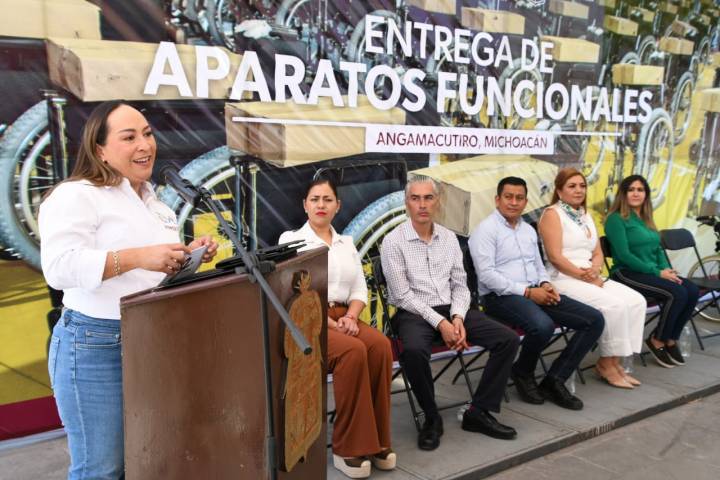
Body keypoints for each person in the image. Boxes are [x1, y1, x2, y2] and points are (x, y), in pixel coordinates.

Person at [40, 101, 218, 479]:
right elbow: (59, 267)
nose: (144, 144)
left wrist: (187, 255)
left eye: (148, 134)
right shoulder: (76, 195)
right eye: (129, 137)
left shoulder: (157, 204)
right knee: (102, 469)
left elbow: (150, 273)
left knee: (145, 461)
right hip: (96, 344)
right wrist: (139, 257)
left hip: (153, 339)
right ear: (100, 150)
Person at [381, 175, 520, 450]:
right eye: (415, 198)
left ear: (438, 202)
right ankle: (431, 417)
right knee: (413, 351)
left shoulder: (448, 238)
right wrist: (442, 323)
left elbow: (460, 284)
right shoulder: (392, 241)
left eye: (428, 198)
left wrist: (457, 318)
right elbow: (402, 295)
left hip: (452, 308)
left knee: (507, 339)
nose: (422, 205)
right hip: (413, 311)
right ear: (406, 203)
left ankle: (479, 411)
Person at [279, 178, 394, 479]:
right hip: (309, 320)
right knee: (352, 352)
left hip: (345, 315)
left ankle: (378, 440)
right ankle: (348, 447)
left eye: (327, 199)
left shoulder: (347, 243)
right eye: (315, 199)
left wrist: (352, 318)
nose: (321, 205)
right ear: (305, 205)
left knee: (380, 346)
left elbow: (359, 289)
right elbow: (290, 291)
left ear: (338, 206)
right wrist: (329, 322)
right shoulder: (291, 239)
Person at [470, 176, 604, 409]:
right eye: (508, 197)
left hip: (535, 290)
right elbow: (487, 276)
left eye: (519, 198)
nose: (514, 202)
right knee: (542, 326)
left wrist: (544, 283)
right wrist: (528, 293)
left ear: (526, 202)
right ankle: (523, 371)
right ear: (497, 200)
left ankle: (555, 380)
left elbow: (539, 265)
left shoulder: (528, 230)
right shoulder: (485, 230)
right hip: (499, 296)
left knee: (593, 320)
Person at [538, 169, 647, 389]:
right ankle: (606, 364)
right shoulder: (552, 214)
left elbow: (597, 252)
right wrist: (583, 276)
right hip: (562, 277)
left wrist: (595, 269)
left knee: (637, 301)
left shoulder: (584, 214)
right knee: (615, 306)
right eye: (572, 186)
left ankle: (615, 361)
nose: (579, 190)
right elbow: (555, 257)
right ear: (559, 190)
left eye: (582, 186)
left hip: (589, 273)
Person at [605, 175, 700, 368]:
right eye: (631, 189)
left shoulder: (645, 219)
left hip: (650, 271)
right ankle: (657, 339)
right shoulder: (616, 219)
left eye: (640, 190)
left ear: (646, 194)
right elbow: (624, 255)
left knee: (692, 290)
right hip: (626, 273)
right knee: (677, 293)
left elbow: (657, 249)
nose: (636, 193)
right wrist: (657, 273)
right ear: (623, 194)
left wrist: (665, 269)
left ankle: (671, 338)